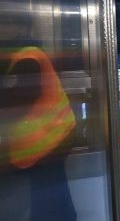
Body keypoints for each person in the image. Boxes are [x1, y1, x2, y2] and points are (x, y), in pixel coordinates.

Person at [0, 11, 77, 221]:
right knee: (51, 188)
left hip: (48, 137)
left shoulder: (28, 56)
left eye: (8, 22)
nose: (3, 28)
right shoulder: (23, 53)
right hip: (54, 133)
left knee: (47, 191)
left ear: (22, 29)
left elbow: (19, 99)